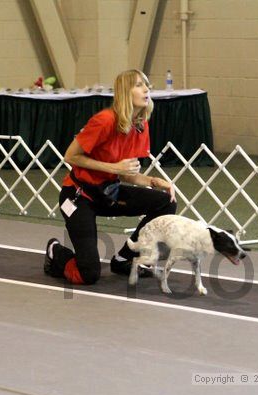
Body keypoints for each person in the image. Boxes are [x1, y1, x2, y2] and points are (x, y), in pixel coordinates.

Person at [43, 69, 177, 285]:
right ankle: (55, 252)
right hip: (79, 196)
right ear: (125, 92)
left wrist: (154, 181)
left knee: (165, 202)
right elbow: (70, 156)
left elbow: (128, 174)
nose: (146, 89)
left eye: (146, 84)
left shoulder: (141, 126)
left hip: (109, 192)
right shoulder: (104, 120)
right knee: (88, 274)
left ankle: (125, 258)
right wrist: (114, 167)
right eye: (139, 85)